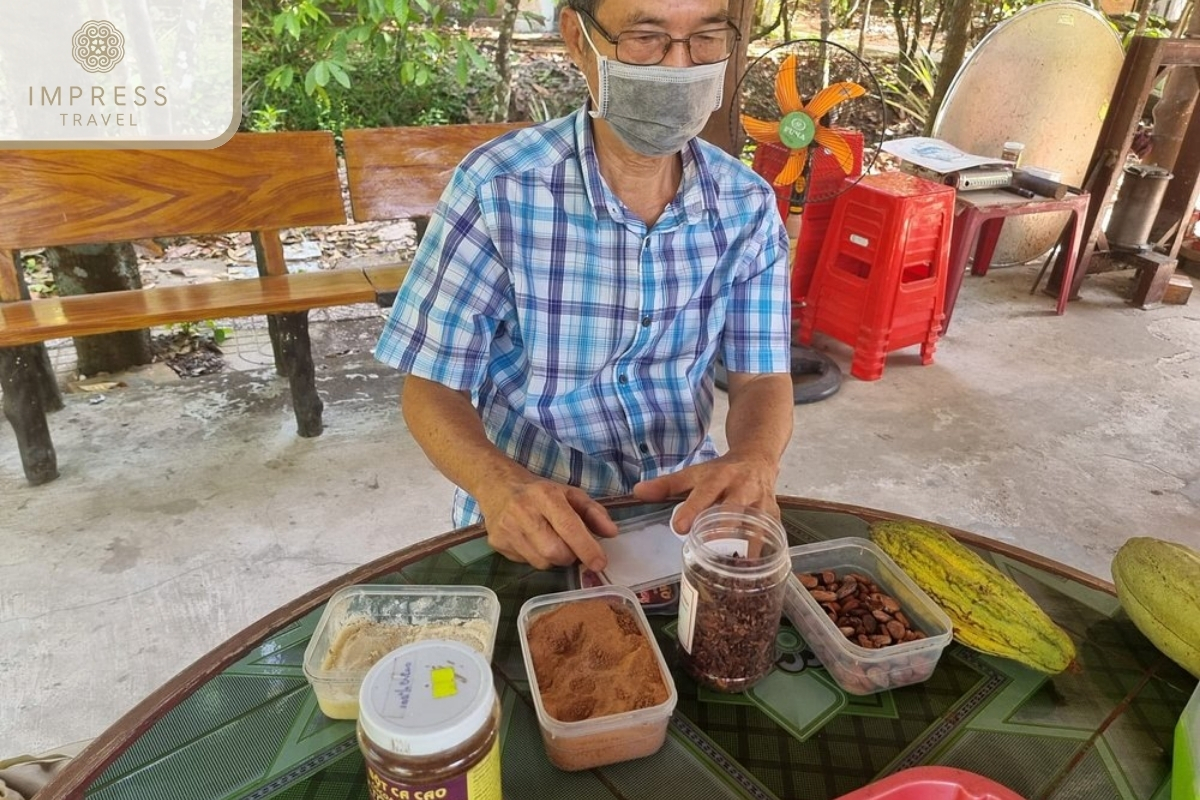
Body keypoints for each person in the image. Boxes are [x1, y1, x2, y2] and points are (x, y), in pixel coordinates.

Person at [375, 0, 794, 572]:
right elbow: (430, 388)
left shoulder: (746, 206)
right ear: (578, 38)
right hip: (534, 515)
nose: (678, 68)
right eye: (646, 36)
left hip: (685, 509)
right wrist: (500, 487)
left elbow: (763, 375)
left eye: (706, 37)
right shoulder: (500, 190)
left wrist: (753, 459)